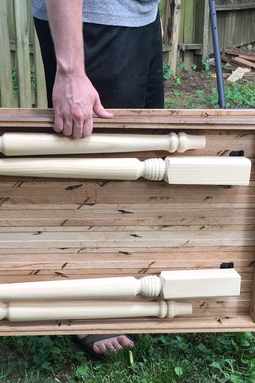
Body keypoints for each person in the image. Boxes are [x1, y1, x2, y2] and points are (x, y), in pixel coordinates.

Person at [32, 0, 164, 356]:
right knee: (96, 170)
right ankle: (85, 305)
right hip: (95, 21)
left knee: (135, 159)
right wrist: (72, 71)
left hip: (138, 18)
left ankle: (119, 277)